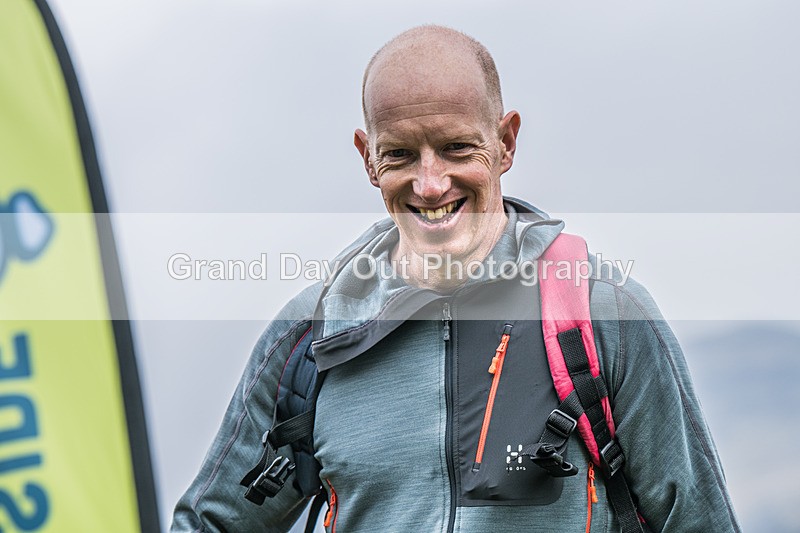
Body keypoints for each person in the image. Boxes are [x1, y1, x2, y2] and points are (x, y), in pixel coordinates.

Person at [171, 25, 740, 532]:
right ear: (367, 158)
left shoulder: (606, 316)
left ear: (505, 142)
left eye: (455, 148)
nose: (430, 184)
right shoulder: (313, 335)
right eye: (399, 155)